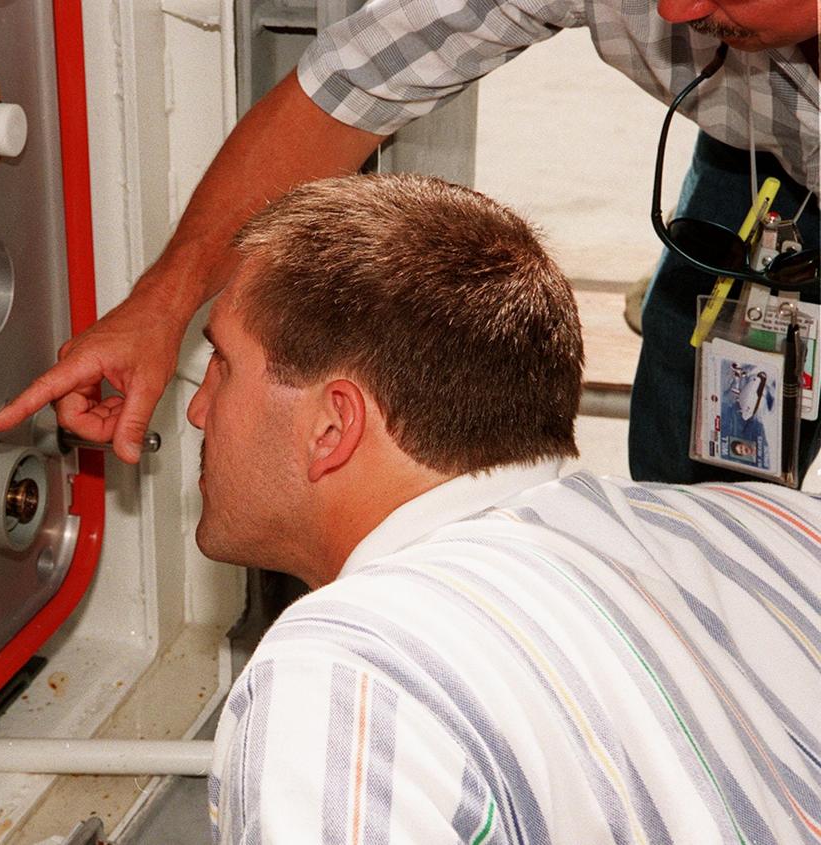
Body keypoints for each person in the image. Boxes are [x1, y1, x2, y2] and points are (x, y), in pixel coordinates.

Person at [187, 173, 820, 843]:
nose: (199, 408)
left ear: (331, 427)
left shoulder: (345, 681)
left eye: (221, 363)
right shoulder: (770, 526)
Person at [0, 0, 818, 485]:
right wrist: (160, 307)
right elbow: (345, 92)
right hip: (763, 166)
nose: (672, 13)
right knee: (699, 456)